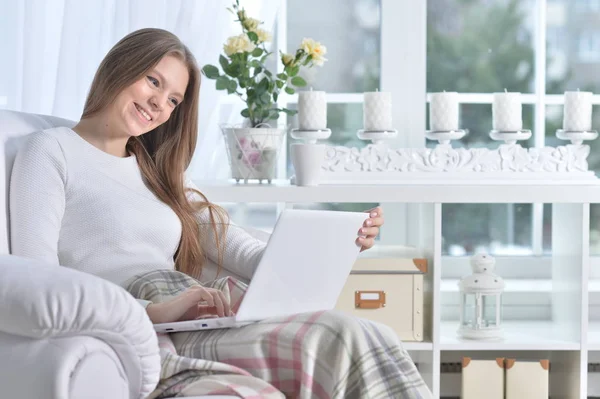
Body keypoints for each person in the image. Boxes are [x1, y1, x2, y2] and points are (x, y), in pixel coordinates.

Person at [10, 28, 432, 398]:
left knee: (368, 332)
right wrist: (153, 313)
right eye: (152, 82)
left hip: (200, 313)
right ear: (120, 68)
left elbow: (244, 251)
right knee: (338, 336)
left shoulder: (160, 172)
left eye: (173, 99)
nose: (158, 103)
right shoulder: (51, 150)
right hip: (139, 320)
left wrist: (340, 244)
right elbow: (39, 283)